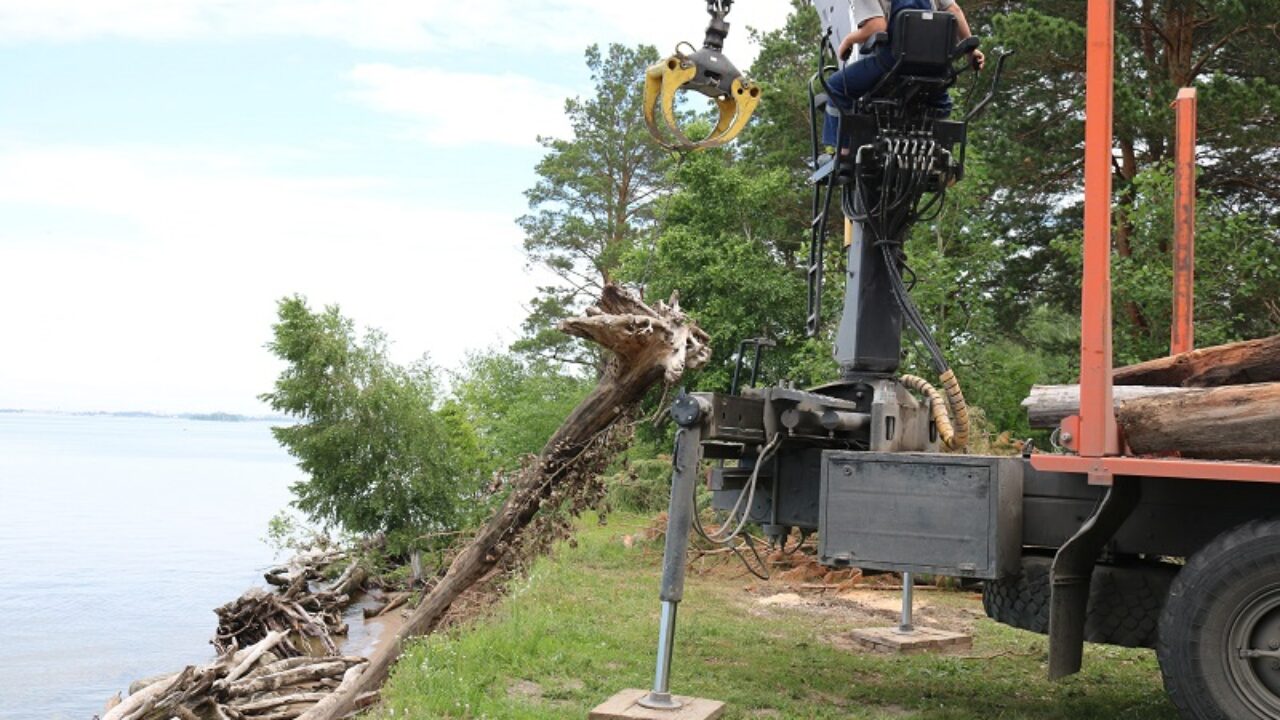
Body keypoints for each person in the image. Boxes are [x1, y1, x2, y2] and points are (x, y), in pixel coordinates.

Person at [821, 0, 985, 150]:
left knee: (836, 86)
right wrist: (970, 51)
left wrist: (848, 41)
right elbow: (954, 9)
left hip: (893, 62)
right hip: (936, 66)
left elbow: (877, 27)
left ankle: (843, 152)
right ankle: (941, 150)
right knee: (941, 102)